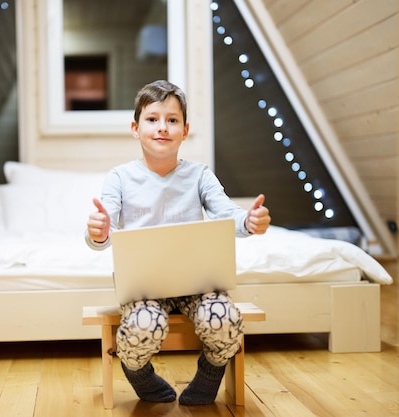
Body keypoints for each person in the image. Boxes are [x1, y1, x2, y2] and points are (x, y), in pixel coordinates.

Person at [85, 80, 271, 405]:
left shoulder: (200, 175)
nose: (163, 128)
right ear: (135, 127)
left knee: (226, 320)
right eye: (153, 119)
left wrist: (249, 222)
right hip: (144, 287)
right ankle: (138, 374)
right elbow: (103, 230)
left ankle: (210, 372)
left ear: (184, 131)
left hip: (196, 284)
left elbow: (228, 214)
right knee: (143, 326)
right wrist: (98, 231)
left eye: (172, 120)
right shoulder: (119, 178)